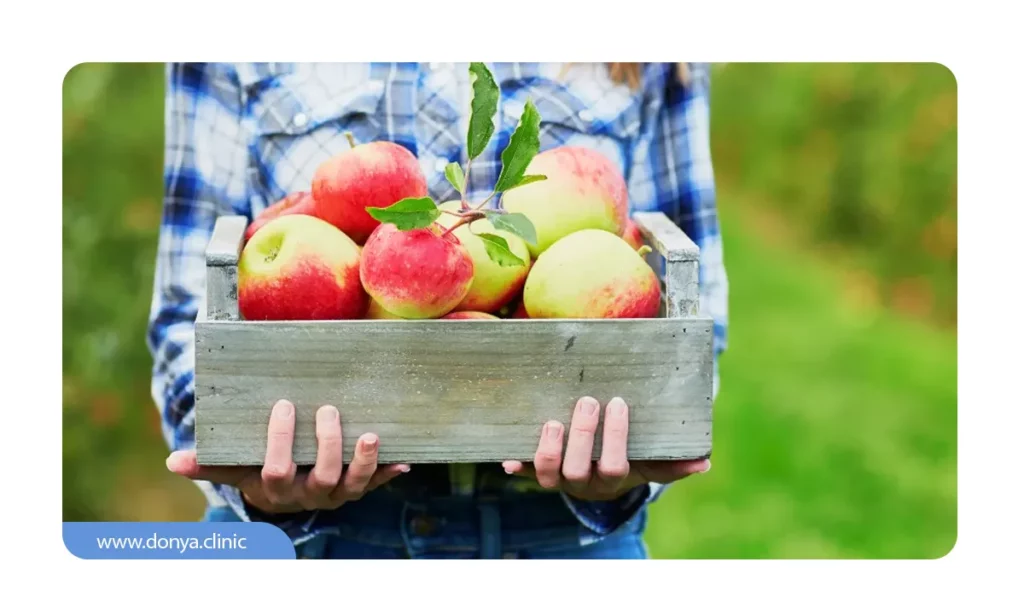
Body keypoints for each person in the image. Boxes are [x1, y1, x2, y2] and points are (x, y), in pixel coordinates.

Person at [148, 61, 729, 559]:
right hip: (300, 545)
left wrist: (630, 464)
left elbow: (691, 310)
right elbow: (186, 308)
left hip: (559, 537)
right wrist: (247, 473)